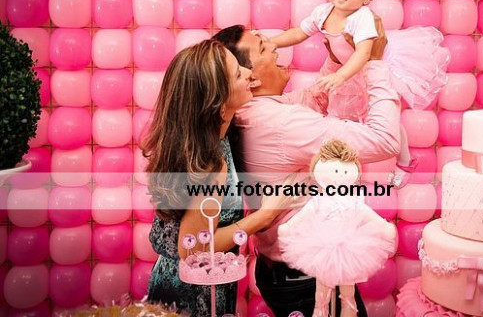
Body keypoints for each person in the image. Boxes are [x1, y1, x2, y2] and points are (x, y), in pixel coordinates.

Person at [213, 24, 413, 316]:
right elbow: (384, 140)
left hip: (283, 271)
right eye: (263, 46)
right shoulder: (280, 123)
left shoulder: (252, 110)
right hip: (308, 277)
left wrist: (336, 61)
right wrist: (375, 64)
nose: (274, 45)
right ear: (249, 77)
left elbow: (313, 100)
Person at [142, 40, 294, 316]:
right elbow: (193, 248)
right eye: (237, 74)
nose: (248, 73)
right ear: (218, 103)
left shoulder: (200, 142)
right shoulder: (211, 164)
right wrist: (265, 216)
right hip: (194, 292)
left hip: (180, 279)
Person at [271, 0, 449, 121]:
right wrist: (273, 42)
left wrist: (341, 75)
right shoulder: (323, 12)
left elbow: (363, 53)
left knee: (367, 110)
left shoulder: (362, 17)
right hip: (347, 66)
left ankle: (385, 140)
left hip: (367, 67)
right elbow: (298, 33)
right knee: (338, 106)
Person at [279, 139, 397, 317]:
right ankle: (321, 311)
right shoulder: (318, 200)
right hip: (322, 247)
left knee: (347, 288)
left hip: (349, 246)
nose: (339, 175)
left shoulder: (354, 200)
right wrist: (289, 227)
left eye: (344, 171)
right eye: (335, 171)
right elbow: (304, 215)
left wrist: (382, 226)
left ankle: (348, 311)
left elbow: (367, 214)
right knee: (322, 288)